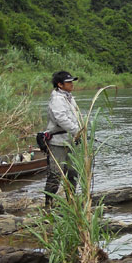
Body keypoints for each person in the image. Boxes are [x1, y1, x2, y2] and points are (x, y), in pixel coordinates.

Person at [43, 70, 83, 207]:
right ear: (60, 85)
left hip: (70, 141)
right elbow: (61, 119)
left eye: (72, 81)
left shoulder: (69, 97)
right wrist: (77, 130)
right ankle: (48, 204)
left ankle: (71, 201)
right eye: (68, 82)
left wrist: (79, 131)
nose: (72, 84)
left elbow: (75, 117)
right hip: (57, 142)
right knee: (55, 174)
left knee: (73, 172)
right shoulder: (56, 99)